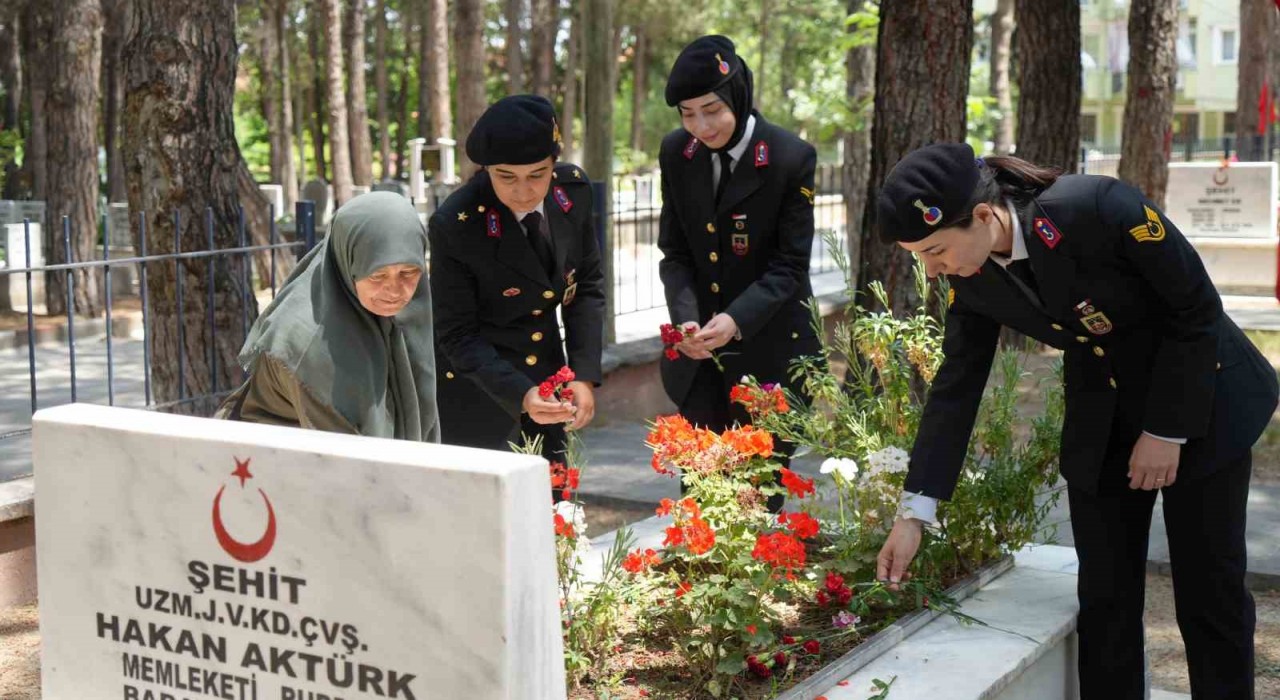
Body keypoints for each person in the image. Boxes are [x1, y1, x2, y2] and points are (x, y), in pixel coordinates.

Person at [874, 142, 1277, 700]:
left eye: (935, 251)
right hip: (1103, 412)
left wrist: (1164, 431)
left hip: (1202, 399)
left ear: (986, 217)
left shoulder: (1096, 208)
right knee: (1106, 596)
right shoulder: (974, 276)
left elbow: (1195, 309)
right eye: (922, 257)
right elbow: (956, 386)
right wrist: (914, 512)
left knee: (1210, 593)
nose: (933, 268)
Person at [656, 35, 821, 511]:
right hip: (701, 357)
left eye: (711, 109)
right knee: (700, 500)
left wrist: (735, 320)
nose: (700, 126)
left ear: (737, 94)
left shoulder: (790, 157)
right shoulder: (677, 154)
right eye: (687, 113)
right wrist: (686, 319)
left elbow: (789, 266)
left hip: (769, 356)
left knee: (755, 503)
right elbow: (676, 252)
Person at [430, 94, 604, 463]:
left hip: (550, 380)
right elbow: (457, 334)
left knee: (551, 502)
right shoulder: (457, 223)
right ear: (485, 170)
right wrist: (521, 394)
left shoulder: (573, 191)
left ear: (554, 165)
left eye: (536, 175)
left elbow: (585, 286)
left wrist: (583, 375)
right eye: (505, 177)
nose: (523, 192)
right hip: (481, 390)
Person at [219, 191, 440, 442]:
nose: (395, 290)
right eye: (377, 275)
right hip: (274, 465)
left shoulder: (403, 308)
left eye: (409, 273)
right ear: (347, 262)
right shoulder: (307, 343)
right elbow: (346, 459)